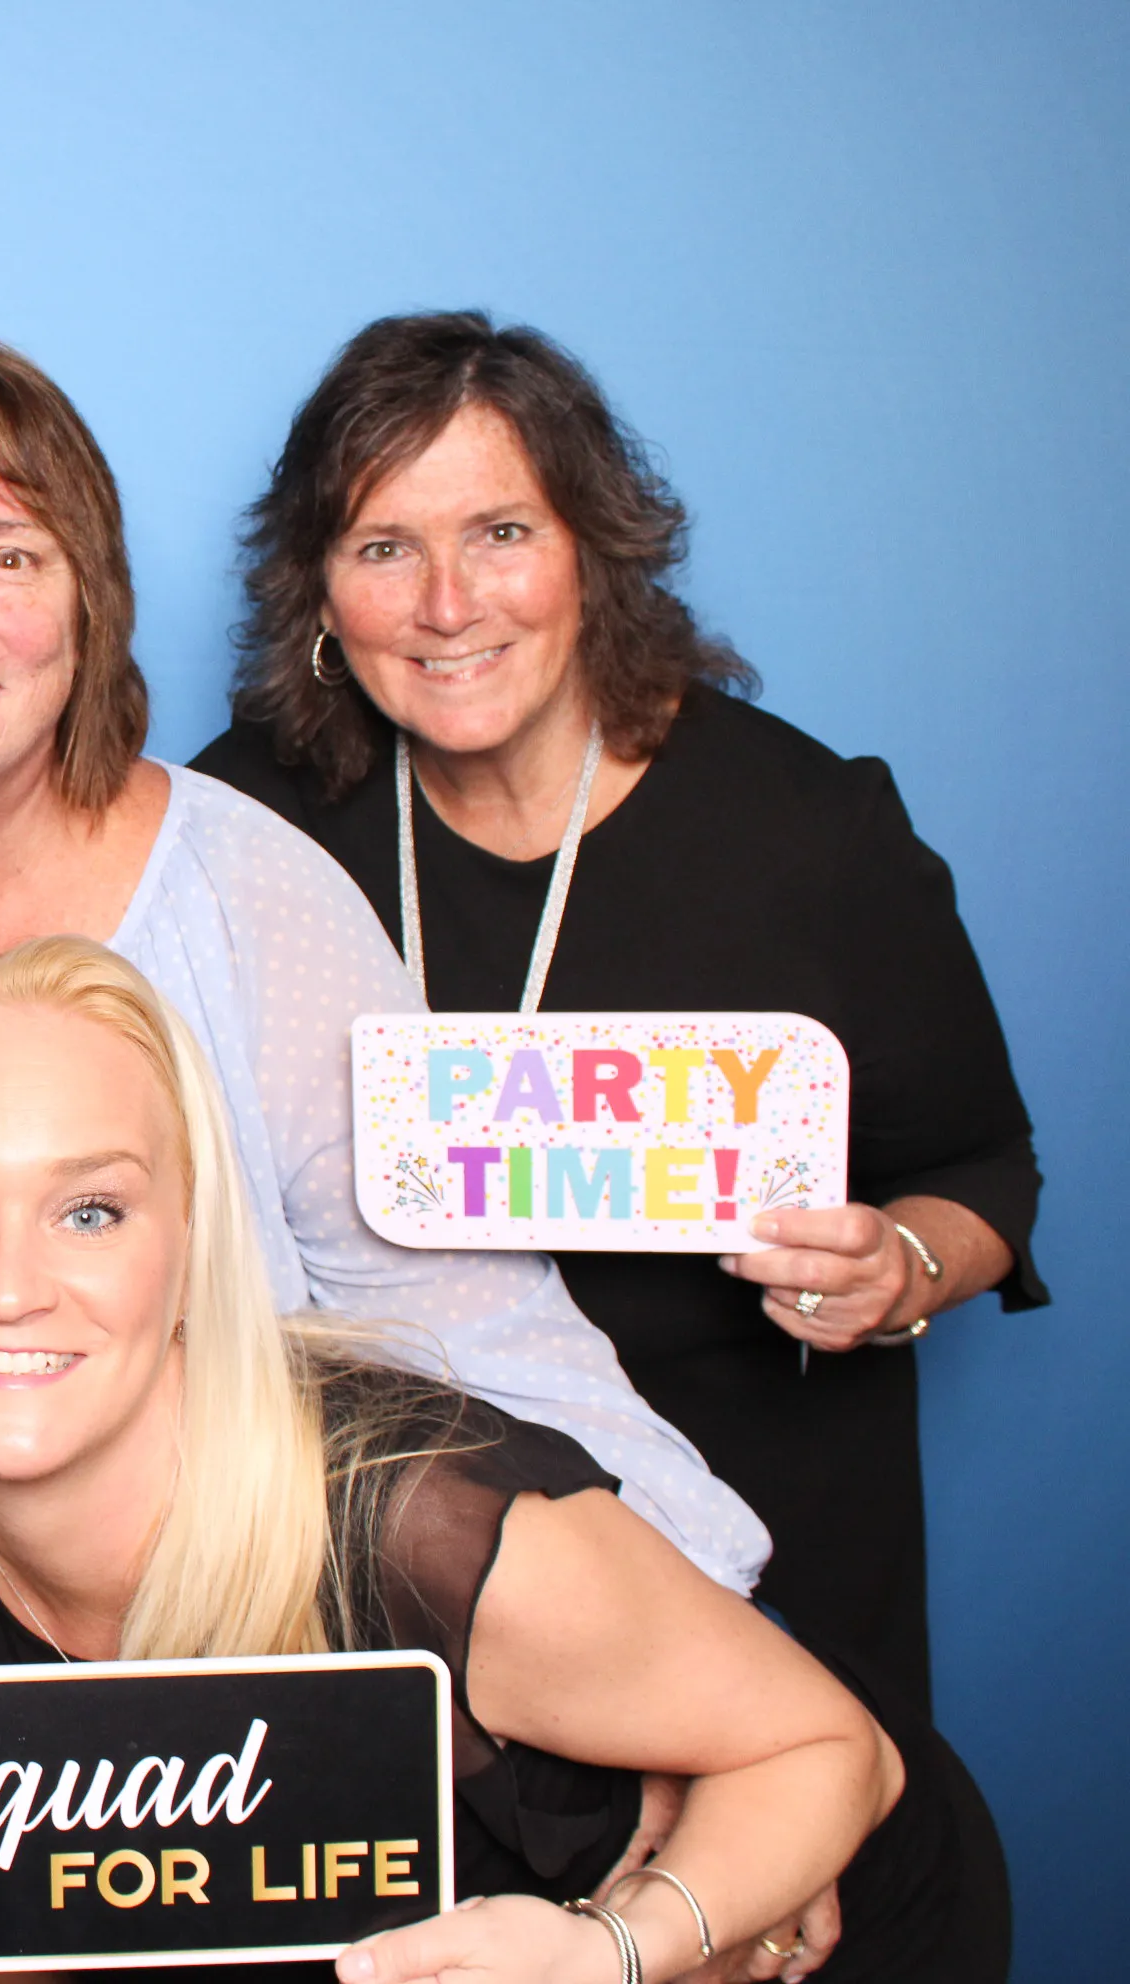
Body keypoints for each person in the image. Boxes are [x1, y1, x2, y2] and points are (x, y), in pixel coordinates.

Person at [0, 328, 766, 1591]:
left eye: (13, 556)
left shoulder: (252, 886)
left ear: (91, 605)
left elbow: (464, 1314)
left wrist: (700, 1602)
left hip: (207, 1619)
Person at [0, 937, 1010, 1984]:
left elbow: (829, 1747)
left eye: (90, 1211)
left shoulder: (410, 1521)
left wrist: (618, 1949)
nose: (9, 1287)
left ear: (189, 1232)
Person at [192, 310, 1046, 1718]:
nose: (448, 603)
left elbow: (983, 1168)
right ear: (321, 596)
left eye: (501, 533)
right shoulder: (242, 825)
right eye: (385, 548)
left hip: (764, 1552)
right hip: (381, 1562)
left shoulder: (809, 832)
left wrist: (899, 1265)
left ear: (592, 546)